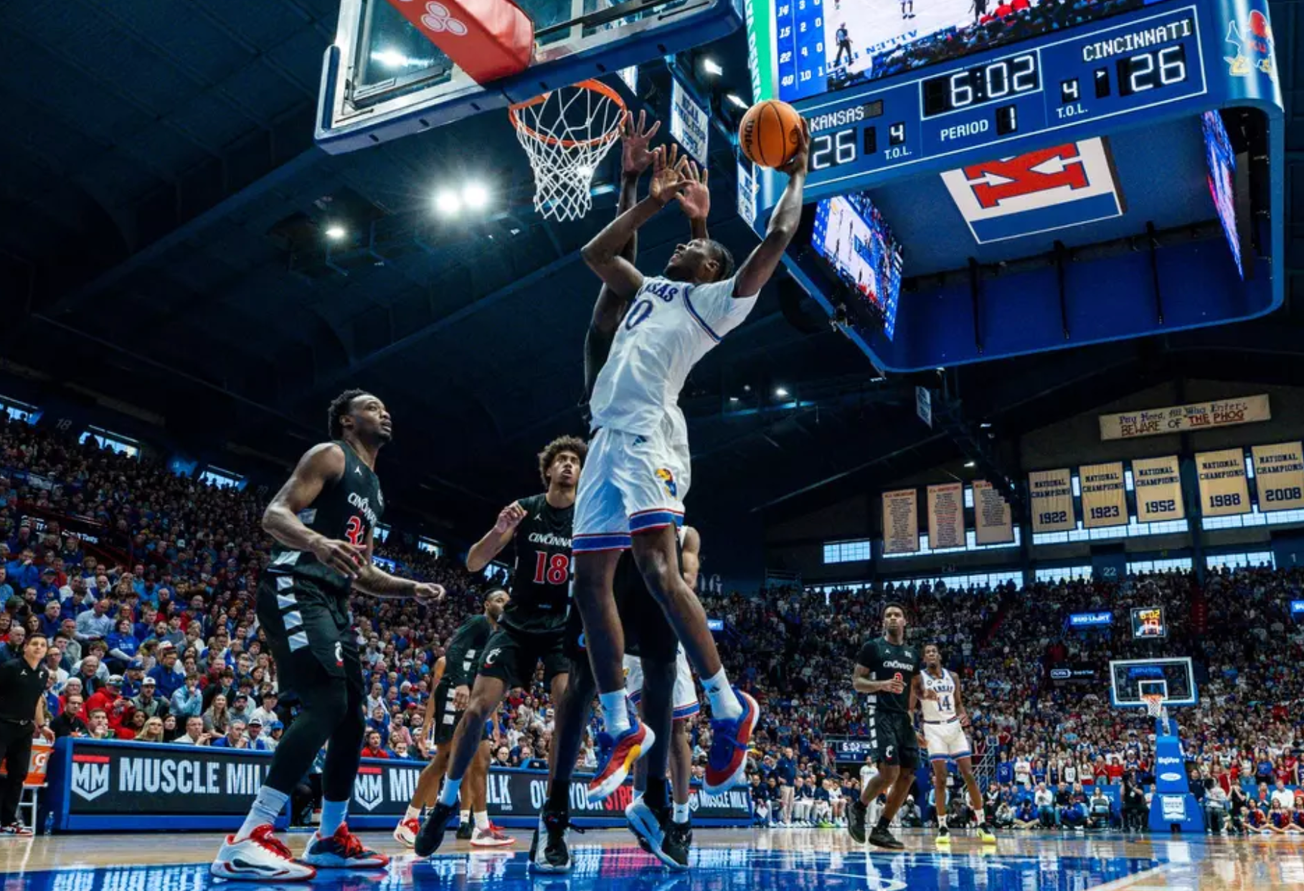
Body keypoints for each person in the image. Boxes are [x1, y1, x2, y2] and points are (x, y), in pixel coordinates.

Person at [571, 115, 808, 814]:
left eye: (696, 246)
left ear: (713, 270)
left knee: (657, 571)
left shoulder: (713, 304)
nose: (683, 246)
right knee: (590, 584)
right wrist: (640, 186)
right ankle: (619, 723)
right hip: (606, 438)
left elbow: (776, 239)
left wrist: (795, 176)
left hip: (651, 433)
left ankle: (728, 705)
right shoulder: (648, 287)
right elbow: (595, 254)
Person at [533, 117, 712, 873]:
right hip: (612, 489)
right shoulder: (617, 319)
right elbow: (621, 267)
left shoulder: (676, 325)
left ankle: (658, 805)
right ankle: (556, 819)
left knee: (665, 671)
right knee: (578, 685)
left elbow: (702, 280)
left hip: (653, 478)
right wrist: (633, 185)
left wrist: (691, 214)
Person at [211, 390, 444, 881]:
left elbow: (363, 573)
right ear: (346, 420)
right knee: (325, 703)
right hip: (296, 584)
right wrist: (317, 541)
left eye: (387, 406)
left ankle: (330, 838)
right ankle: (248, 837)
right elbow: (274, 514)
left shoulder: (375, 489)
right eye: (372, 406)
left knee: (353, 719)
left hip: (335, 602)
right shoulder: (330, 455)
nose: (385, 411)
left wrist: (411, 588)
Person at [413, 436, 585, 858]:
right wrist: (499, 531)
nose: (567, 465)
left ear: (582, 472)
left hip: (562, 625)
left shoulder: (589, 514)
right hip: (519, 622)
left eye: (574, 461)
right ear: (547, 470)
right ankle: (447, 802)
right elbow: (473, 562)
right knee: (475, 710)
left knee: (568, 713)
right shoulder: (525, 509)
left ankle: (554, 820)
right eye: (560, 460)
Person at [395, 588, 510, 849]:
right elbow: (455, 650)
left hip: (474, 700)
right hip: (455, 694)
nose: (504, 604)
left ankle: (481, 828)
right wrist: (460, 684)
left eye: (507, 601)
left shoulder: (499, 634)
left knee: (482, 760)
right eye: (499, 600)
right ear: (486, 603)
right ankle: (409, 821)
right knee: (444, 760)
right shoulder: (478, 622)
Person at [848, 603, 929, 849]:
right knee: (889, 773)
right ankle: (858, 807)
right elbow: (857, 682)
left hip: (903, 719)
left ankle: (881, 829)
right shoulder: (873, 648)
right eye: (888, 615)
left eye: (897, 615)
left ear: (905, 621)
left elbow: (916, 689)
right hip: (880, 713)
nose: (893, 618)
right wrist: (882, 684)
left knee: (908, 774)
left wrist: (921, 710)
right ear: (883, 622)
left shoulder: (912, 654)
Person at [914, 643, 995, 844]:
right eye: (927, 653)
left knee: (969, 775)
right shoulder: (918, 679)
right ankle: (942, 826)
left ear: (939, 656)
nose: (931, 654)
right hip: (933, 728)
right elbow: (910, 708)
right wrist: (914, 731)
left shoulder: (954, 677)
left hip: (953, 726)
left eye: (934, 651)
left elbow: (958, 703)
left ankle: (982, 823)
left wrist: (963, 714)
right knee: (940, 779)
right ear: (924, 659)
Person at [0, 633, 55, 835]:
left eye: (42, 645)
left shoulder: (42, 673)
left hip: (25, 730)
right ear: (25, 647)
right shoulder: (10, 668)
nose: (38, 648)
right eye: (34, 644)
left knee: (18, 775)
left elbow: (37, 700)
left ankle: (8, 821)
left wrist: (42, 725)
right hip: (3, 724)